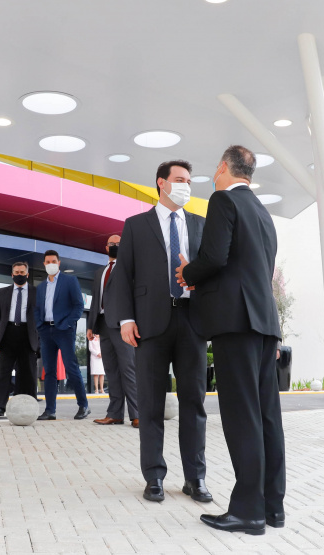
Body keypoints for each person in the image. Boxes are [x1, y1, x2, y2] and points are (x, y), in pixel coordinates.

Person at [176, 145, 286, 535]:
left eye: (215, 168)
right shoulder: (263, 213)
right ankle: (272, 508)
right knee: (267, 417)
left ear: (224, 167)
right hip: (264, 324)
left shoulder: (224, 201)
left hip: (235, 324)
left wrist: (188, 273)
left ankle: (247, 512)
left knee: (242, 418)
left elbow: (215, 257)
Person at [105, 160, 211, 504]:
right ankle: (154, 477)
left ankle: (195, 478)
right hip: (149, 324)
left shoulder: (200, 225)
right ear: (161, 183)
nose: (186, 186)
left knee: (194, 403)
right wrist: (125, 319)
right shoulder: (136, 225)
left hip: (192, 322)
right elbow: (124, 275)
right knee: (150, 404)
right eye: (180, 180)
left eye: (189, 181)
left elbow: (211, 272)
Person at [87, 234, 138, 427]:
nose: (115, 246)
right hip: (103, 325)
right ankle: (115, 414)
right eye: (111, 244)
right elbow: (95, 299)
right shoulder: (99, 272)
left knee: (129, 370)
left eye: (118, 243)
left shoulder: (130, 268)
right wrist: (90, 325)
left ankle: (137, 414)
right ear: (106, 247)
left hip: (123, 325)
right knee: (111, 371)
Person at [35, 250, 89, 421]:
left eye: (53, 261)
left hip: (64, 330)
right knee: (49, 371)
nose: (50, 264)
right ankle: (50, 410)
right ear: (44, 264)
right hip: (46, 331)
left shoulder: (69, 281)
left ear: (59, 263)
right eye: (47, 262)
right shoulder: (41, 287)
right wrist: (39, 326)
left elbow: (78, 305)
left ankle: (84, 406)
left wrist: (68, 324)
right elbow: (37, 309)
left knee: (71, 367)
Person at [0, 262, 38, 416]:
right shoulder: (3, 292)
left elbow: (39, 314)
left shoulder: (36, 292)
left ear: (27, 274)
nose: (19, 275)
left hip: (28, 333)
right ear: (12, 274)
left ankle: (27, 406)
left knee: (27, 372)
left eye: (22, 272)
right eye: (16, 272)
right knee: (3, 371)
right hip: (8, 333)